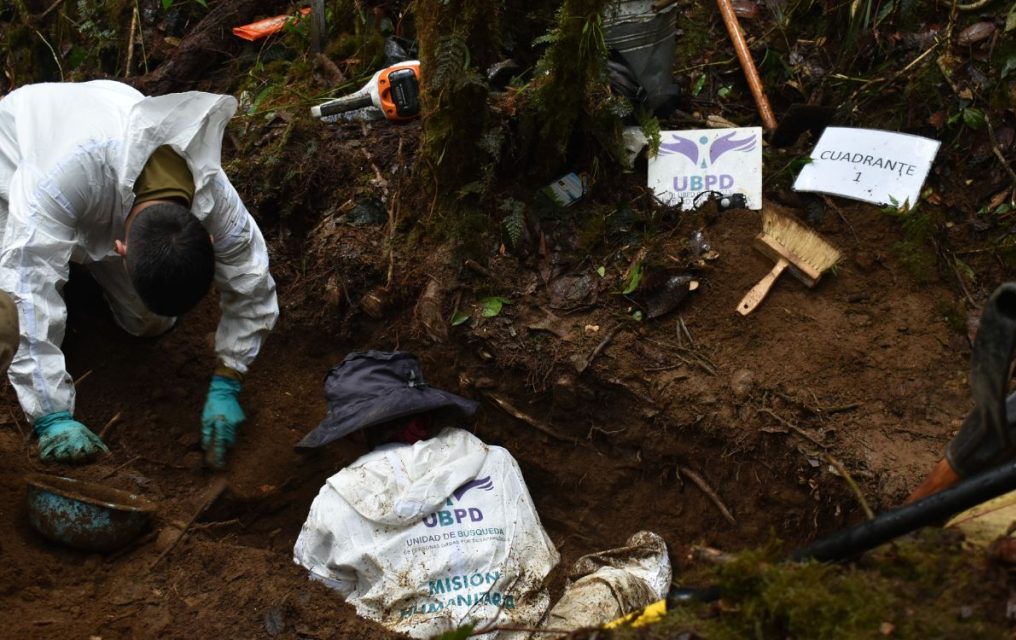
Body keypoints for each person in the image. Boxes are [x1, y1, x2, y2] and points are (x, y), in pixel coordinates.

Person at [293, 351, 669, 639]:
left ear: (357, 433)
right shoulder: (493, 461)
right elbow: (537, 561)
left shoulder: (335, 498)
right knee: (620, 581)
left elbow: (318, 600)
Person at [0, 80, 279, 468]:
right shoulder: (57, 182)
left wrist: (230, 374)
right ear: (121, 249)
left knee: (151, 322)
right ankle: (75, 290)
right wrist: (51, 414)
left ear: (208, 238)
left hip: (104, 173)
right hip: (16, 157)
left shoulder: (216, 201)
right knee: (10, 305)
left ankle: (81, 277)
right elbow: (25, 284)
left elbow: (252, 282)